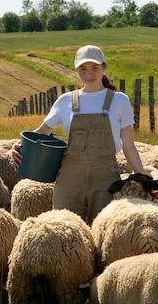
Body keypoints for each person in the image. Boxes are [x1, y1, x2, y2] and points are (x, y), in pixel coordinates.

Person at [10, 45, 147, 224]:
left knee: (105, 234)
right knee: (66, 233)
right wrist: (17, 148)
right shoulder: (65, 101)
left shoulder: (119, 100)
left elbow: (128, 145)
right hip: (68, 183)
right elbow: (40, 134)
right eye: (83, 69)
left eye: (94, 68)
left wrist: (143, 177)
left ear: (104, 68)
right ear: (76, 70)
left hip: (105, 182)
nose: (89, 74)